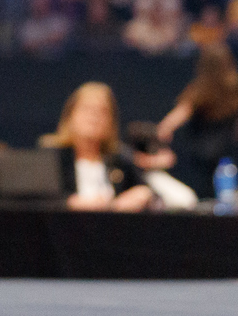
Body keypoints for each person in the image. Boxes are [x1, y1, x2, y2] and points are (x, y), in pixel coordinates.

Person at [41, 83, 153, 211]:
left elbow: (148, 193)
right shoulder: (52, 157)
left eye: (102, 112)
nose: (94, 117)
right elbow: (36, 201)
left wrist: (142, 195)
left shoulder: (120, 159)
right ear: (70, 115)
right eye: (87, 109)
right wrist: (70, 203)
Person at [156, 42, 238, 198]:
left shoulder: (199, 90)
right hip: (224, 158)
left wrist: (163, 135)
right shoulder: (226, 89)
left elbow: (171, 122)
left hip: (200, 158)